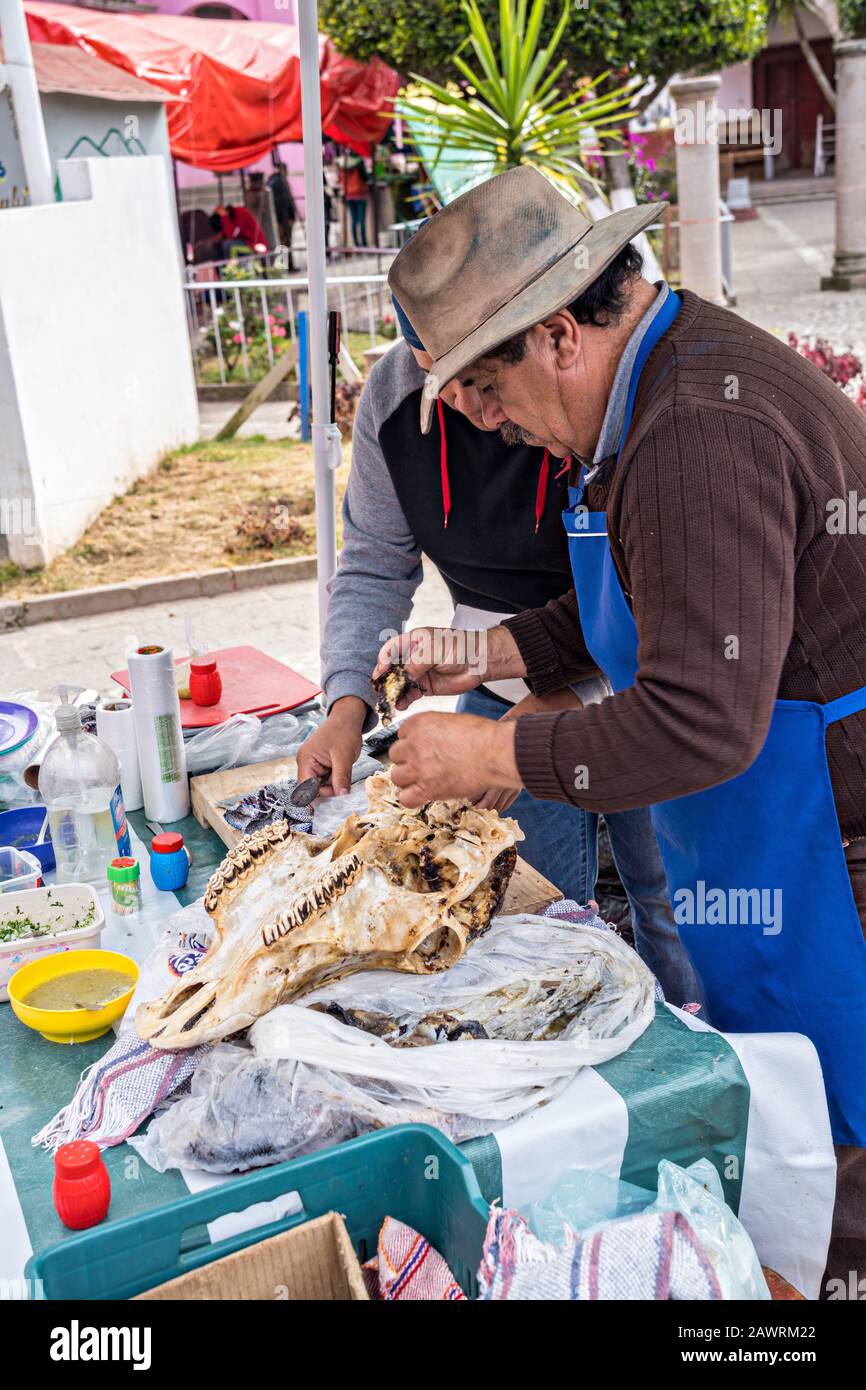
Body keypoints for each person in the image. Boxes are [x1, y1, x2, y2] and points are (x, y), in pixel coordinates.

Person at [381, 165, 866, 1292]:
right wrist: (487, 654)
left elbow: (700, 718)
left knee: (836, 1161)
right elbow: (642, 599)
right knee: (786, 1122)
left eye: (484, 391)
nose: (481, 422)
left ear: (556, 335)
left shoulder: (697, 430)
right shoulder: (641, 392)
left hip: (827, 851)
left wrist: (495, 752)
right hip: (759, 843)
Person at [296, 295, 701, 1005]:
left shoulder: (604, 396)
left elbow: (652, 601)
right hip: (493, 670)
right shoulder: (394, 396)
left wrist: (561, 702)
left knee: (669, 904)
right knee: (531, 918)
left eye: (481, 382)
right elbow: (372, 564)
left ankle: (699, 1067)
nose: (470, 407)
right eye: (438, 379)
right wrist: (347, 703)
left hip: (644, 674)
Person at [267, 162, 296, 269]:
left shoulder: (271, 181)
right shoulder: (279, 182)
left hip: (279, 217)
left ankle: (286, 265)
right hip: (283, 217)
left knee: (284, 242)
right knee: (285, 242)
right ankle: (286, 266)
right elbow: (287, 201)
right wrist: (290, 216)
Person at [340, 154, 369, 248]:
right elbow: (365, 177)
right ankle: (364, 244)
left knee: (353, 220)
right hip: (359, 194)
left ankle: (356, 243)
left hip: (348, 195)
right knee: (361, 220)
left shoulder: (342, 163)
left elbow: (340, 179)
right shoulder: (359, 162)